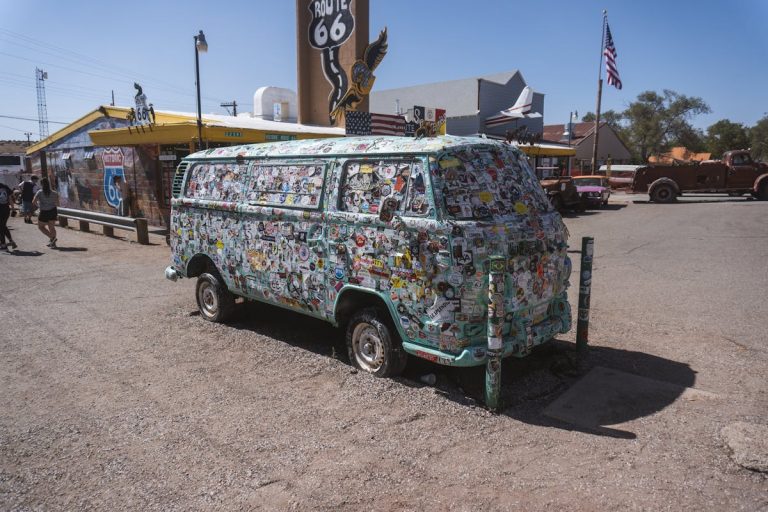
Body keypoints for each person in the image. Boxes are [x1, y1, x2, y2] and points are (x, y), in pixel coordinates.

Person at [32, 177, 59, 248]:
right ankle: (53, 243)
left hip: (44, 211)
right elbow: (57, 203)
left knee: (40, 226)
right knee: (52, 227)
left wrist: (39, 206)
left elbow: (33, 202)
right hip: (53, 211)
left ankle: (52, 238)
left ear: (41, 184)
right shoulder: (54, 193)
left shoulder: (39, 192)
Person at [0, 182, 18, 251]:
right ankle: (11, 241)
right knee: (3, 226)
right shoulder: (5, 187)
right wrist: (13, 209)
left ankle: (3, 245)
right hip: (6, 210)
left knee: (1, 227)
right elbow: (10, 199)